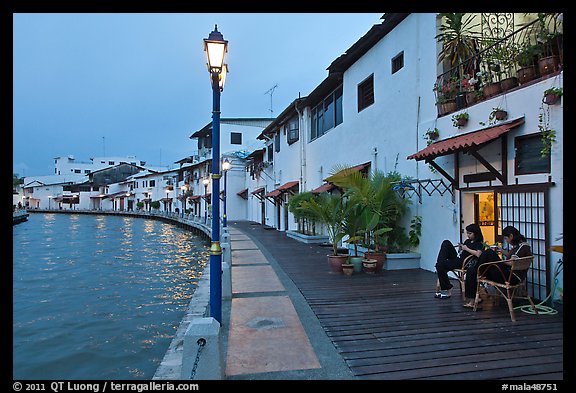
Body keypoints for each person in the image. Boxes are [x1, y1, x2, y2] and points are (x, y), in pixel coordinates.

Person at [463, 225, 532, 308]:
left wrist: (498, 260)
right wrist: (501, 251)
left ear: (511, 236)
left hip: (512, 277)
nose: (506, 241)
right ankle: (472, 300)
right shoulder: (517, 246)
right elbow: (511, 257)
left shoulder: (523, 246)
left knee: (488, 253)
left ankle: (478, 271)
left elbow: (512, 263)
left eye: (506, 239)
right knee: (471, 270)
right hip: (506, 273)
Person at [435, 223, 484, 299]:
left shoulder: (479, 243)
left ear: (476, 233)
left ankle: (448, 287)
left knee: (439, 265)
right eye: (467, 233)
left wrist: (466, 249)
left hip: (464, 263)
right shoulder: (467, 241)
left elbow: (478, 254)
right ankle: (440, 263)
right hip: (459, 259)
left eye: (470, 233)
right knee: (446, 243)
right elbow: (463, 251)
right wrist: (461, 248)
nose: (468, 235)